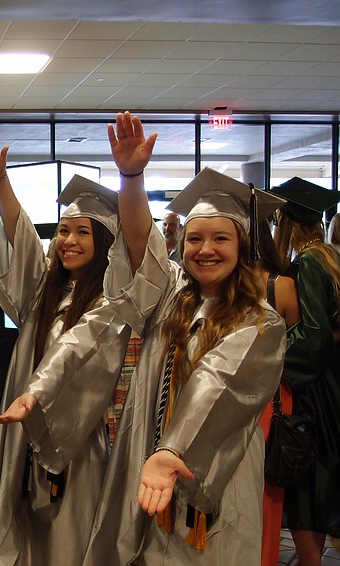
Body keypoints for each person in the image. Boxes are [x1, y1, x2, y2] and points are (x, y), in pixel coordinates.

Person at [77, 112, 286, 564]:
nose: (205, 250)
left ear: (243, 246)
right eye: (194, 239)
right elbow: (140, 244)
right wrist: (131, 178)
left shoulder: (260, 322)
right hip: (152, 462)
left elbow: (218, 382)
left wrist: (172, 450)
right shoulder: (172, 295)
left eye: (220, 239)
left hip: (215, 472)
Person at [0, 136, 132, 565]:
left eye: (82, 232)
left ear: (106, 241)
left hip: (74, 439)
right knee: (20, 529)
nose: (68, 240)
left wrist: (35, 395)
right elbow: (20, 239)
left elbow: (76, 349)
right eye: (63, 231)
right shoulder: (44, 290)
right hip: (22, 429)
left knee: (65, 536)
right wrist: (0, 181)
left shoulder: (109, 302)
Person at [268, 177, 340, 566]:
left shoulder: (309, 262)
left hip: (318, 391)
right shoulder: (331, 256)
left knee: (308, 488)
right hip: (334, 380)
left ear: (286, 223)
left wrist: (270, 353)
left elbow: (312, 337)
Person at [251, 216, 301, 566]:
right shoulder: (282, 285)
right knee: (268, 495)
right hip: (275, 394)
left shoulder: (221, 287)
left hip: (260, 398)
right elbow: (296, 343)